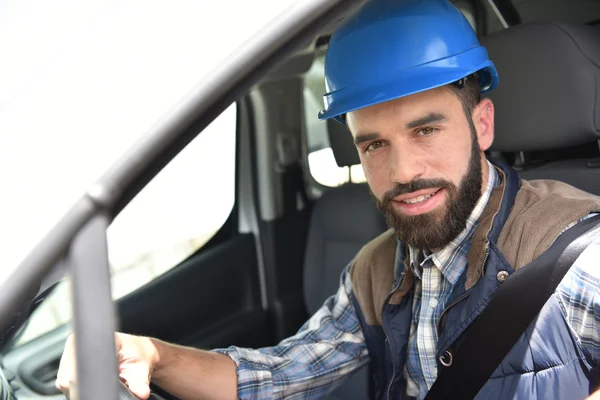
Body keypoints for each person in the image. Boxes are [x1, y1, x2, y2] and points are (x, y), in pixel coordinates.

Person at [56, 0, 600, 399]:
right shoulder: (377, 267)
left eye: (426, 131)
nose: (404, 171)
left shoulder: (575, 255)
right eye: (374, 144)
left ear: (481, 124)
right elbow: (283, 373)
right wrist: (154, 355)